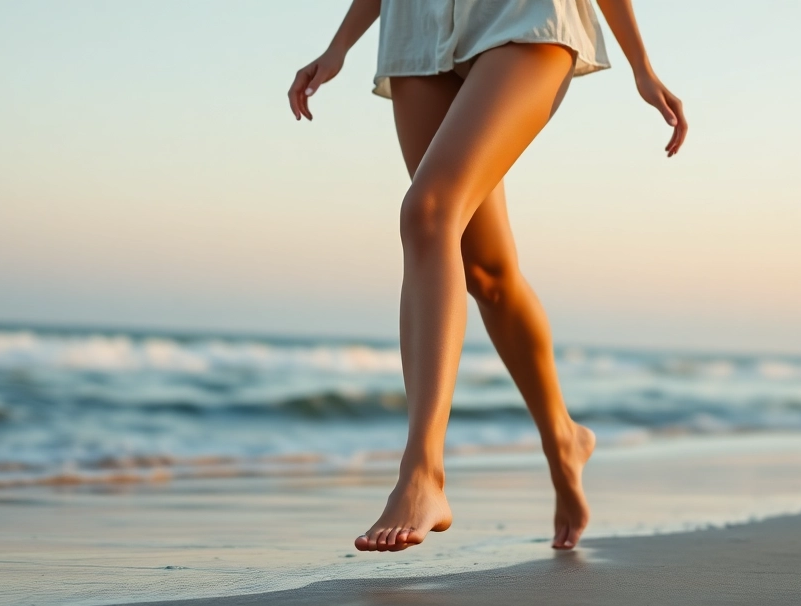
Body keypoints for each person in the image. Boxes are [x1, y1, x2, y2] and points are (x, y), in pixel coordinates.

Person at [287, 0, 685, 553]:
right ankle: (563, 437)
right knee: (486, 272)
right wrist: (338, 46)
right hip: (417, 28)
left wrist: (641, 64)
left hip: (524, 17)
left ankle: (423, 472)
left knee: (428, 212)